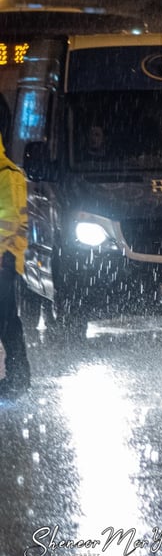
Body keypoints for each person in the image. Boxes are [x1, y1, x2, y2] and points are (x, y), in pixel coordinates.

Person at [0, 133, 30, 399]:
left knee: (6, 321)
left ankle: (18, 379)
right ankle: (17, 378)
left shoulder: (7, 174)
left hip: (4, 260)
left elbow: (7, 222)